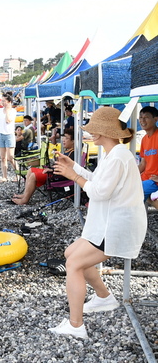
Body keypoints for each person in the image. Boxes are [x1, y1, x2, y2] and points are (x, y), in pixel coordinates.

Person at [49, 107, 147, 339]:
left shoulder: (117, 157)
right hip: (110, 222)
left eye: (94, 130)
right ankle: (104, 297)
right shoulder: (114, 154)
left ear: (103, 133)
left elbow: (99, 192)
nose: (91, 133)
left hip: (116, 226)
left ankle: (76, 326)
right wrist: (73, 166)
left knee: (74, 264)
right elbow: (97, 181)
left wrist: (73, 176)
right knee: (71, 253)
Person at [12, 128, 75, 205]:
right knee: (31, 170)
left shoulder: (73, 154)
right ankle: (25, 194)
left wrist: (51, 170)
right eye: (63, 138)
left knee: (33, 175)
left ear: (73, 141)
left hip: (57, 176)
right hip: (54, 172)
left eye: (66, 138)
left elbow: (66, 170)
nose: (63, 140)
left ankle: (25, 200)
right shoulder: (67, 151)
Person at [137, 106, 158, 202]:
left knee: (134, 194)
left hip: (154, 181)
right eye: (141, 117)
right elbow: (143, 164)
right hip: (145, 177)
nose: (142, 120)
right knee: (122, 188)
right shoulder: (144, 139)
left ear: (155, 119)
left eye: (146, 117)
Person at [0, 94, 17, 182]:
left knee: (11, 157)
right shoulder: (0, 110)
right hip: (0, 134)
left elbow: (8, 120)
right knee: (3, 158)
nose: (2, 103)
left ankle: (18, 174)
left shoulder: (13, 111)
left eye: (4, 101)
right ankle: (4, 176)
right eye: (2, 101)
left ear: (9, 102)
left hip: (9, 135)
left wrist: (7, 110)